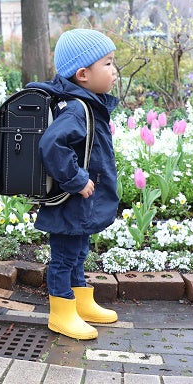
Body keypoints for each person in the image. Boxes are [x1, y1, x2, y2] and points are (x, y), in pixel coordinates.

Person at [27, 28, 120, 340]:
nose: (114, 71)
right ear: (83, 74)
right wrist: (76, 179)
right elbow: (52, 145)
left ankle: (80, 300)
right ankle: (61, 311)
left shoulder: (86, 103)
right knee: (64, 258)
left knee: (78, 252)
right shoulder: (77, 108)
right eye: (108, 63)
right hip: (68, 202)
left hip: (79, 203)